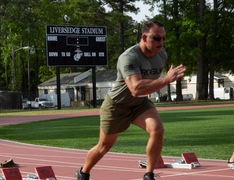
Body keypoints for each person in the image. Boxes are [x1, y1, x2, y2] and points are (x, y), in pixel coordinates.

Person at [75, 20, 186, 180]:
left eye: (163, 38)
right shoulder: (129, 57)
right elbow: (135, 88)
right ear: (143, 37)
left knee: (157, 130)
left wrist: (163, 80)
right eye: (156, 38)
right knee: (104, 146)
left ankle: (149, 174)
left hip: (140, 104)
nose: (160, 43)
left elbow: (145, 87)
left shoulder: (161, 54)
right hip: (116, 105)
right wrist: (166, 80)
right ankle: (83, 172)